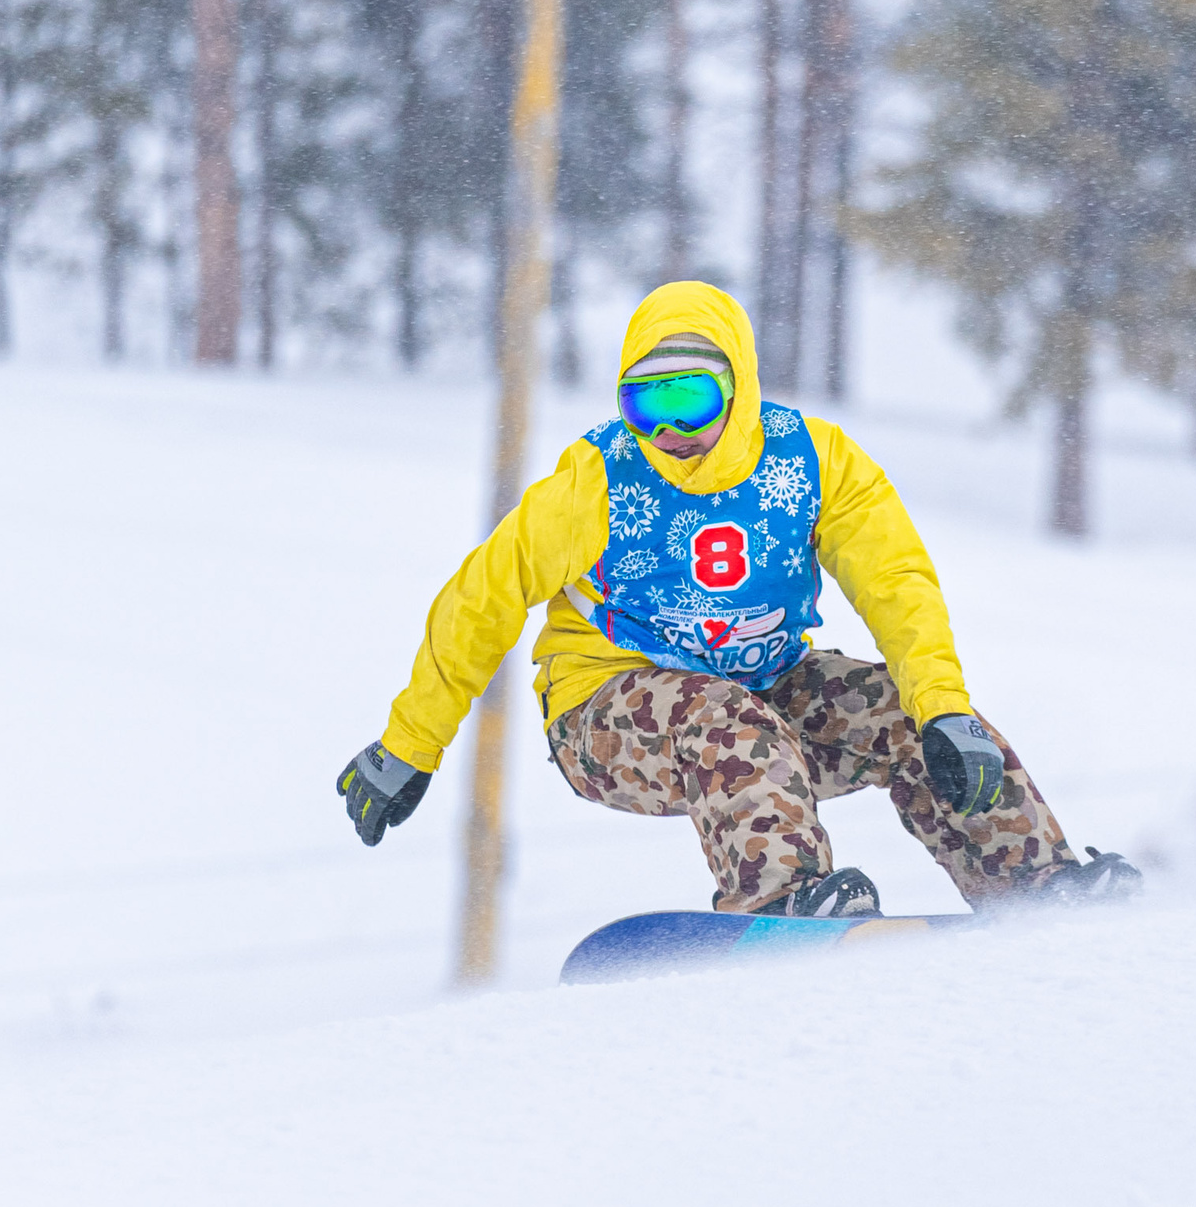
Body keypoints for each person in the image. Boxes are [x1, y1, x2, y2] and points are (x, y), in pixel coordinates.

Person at [335, 281, 1139, 917]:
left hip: (768, 690)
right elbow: (482, 599)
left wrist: (945, 708)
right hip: (606, 713)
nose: (671, 431)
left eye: (691, 399)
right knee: (723, 718)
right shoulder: (599, 481)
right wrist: (410, 746)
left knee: (901, 711)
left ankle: (1032, 883)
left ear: (739, 388)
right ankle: (780, 895)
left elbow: (898, 583)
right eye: (646, 405)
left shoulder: (811, 461)